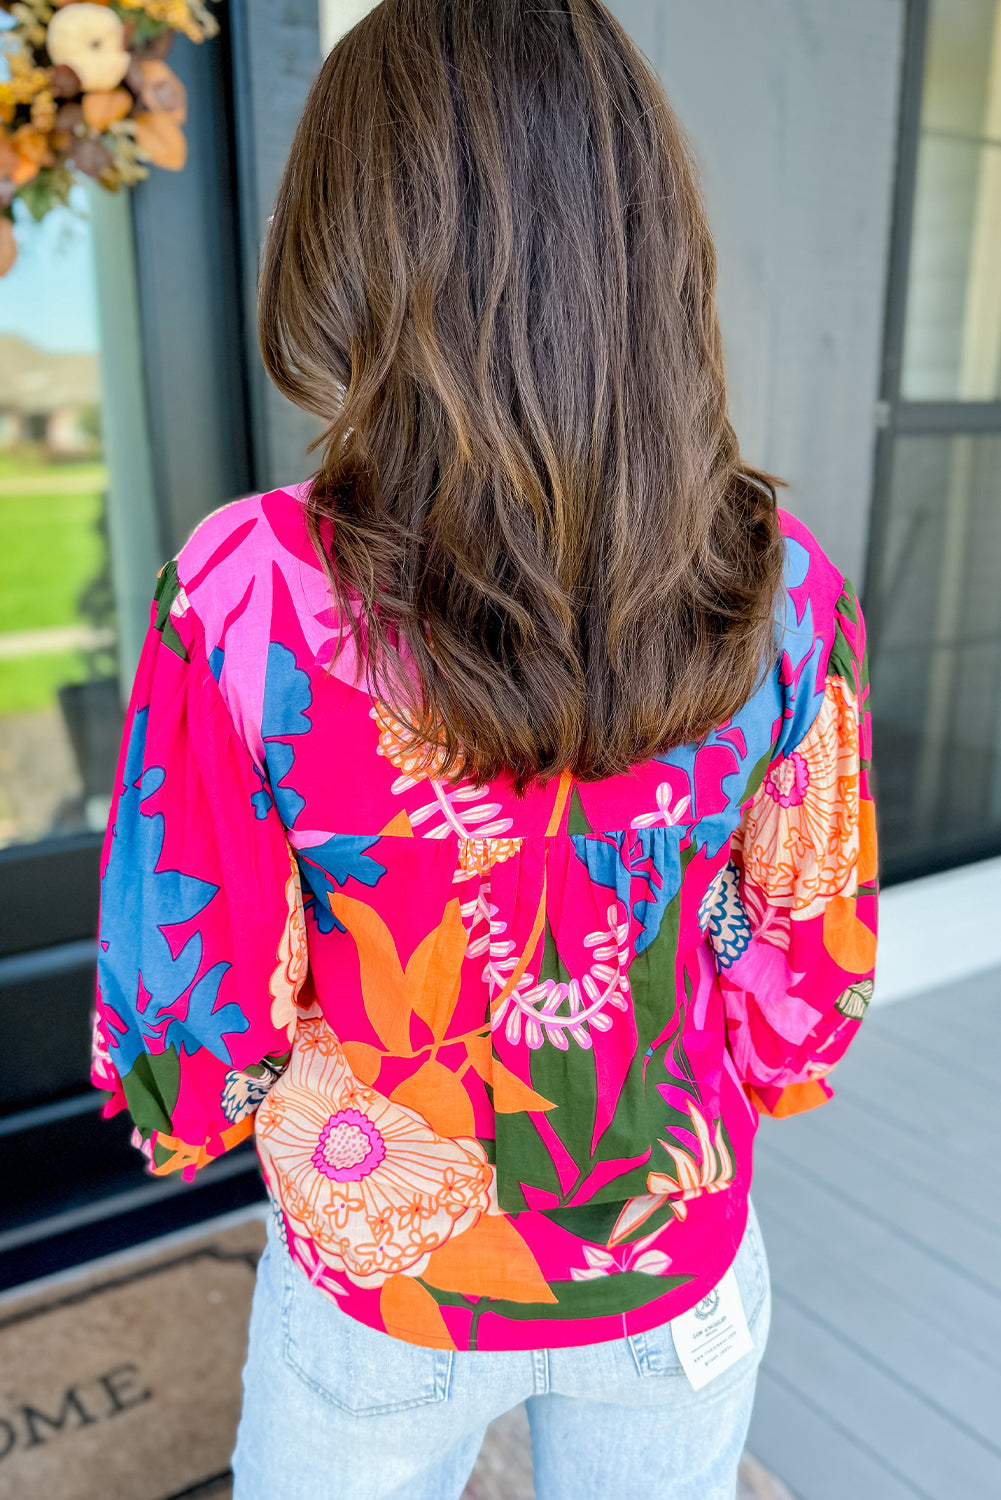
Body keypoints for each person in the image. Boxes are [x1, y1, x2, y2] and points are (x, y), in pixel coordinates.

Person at [89, 2, 878, 1496]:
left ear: (346, 243)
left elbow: (197, 1010)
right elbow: (800, 981)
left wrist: (198, 1120)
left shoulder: (246, 593)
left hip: (387, 1285)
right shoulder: (783, 590)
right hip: (674, 1254)